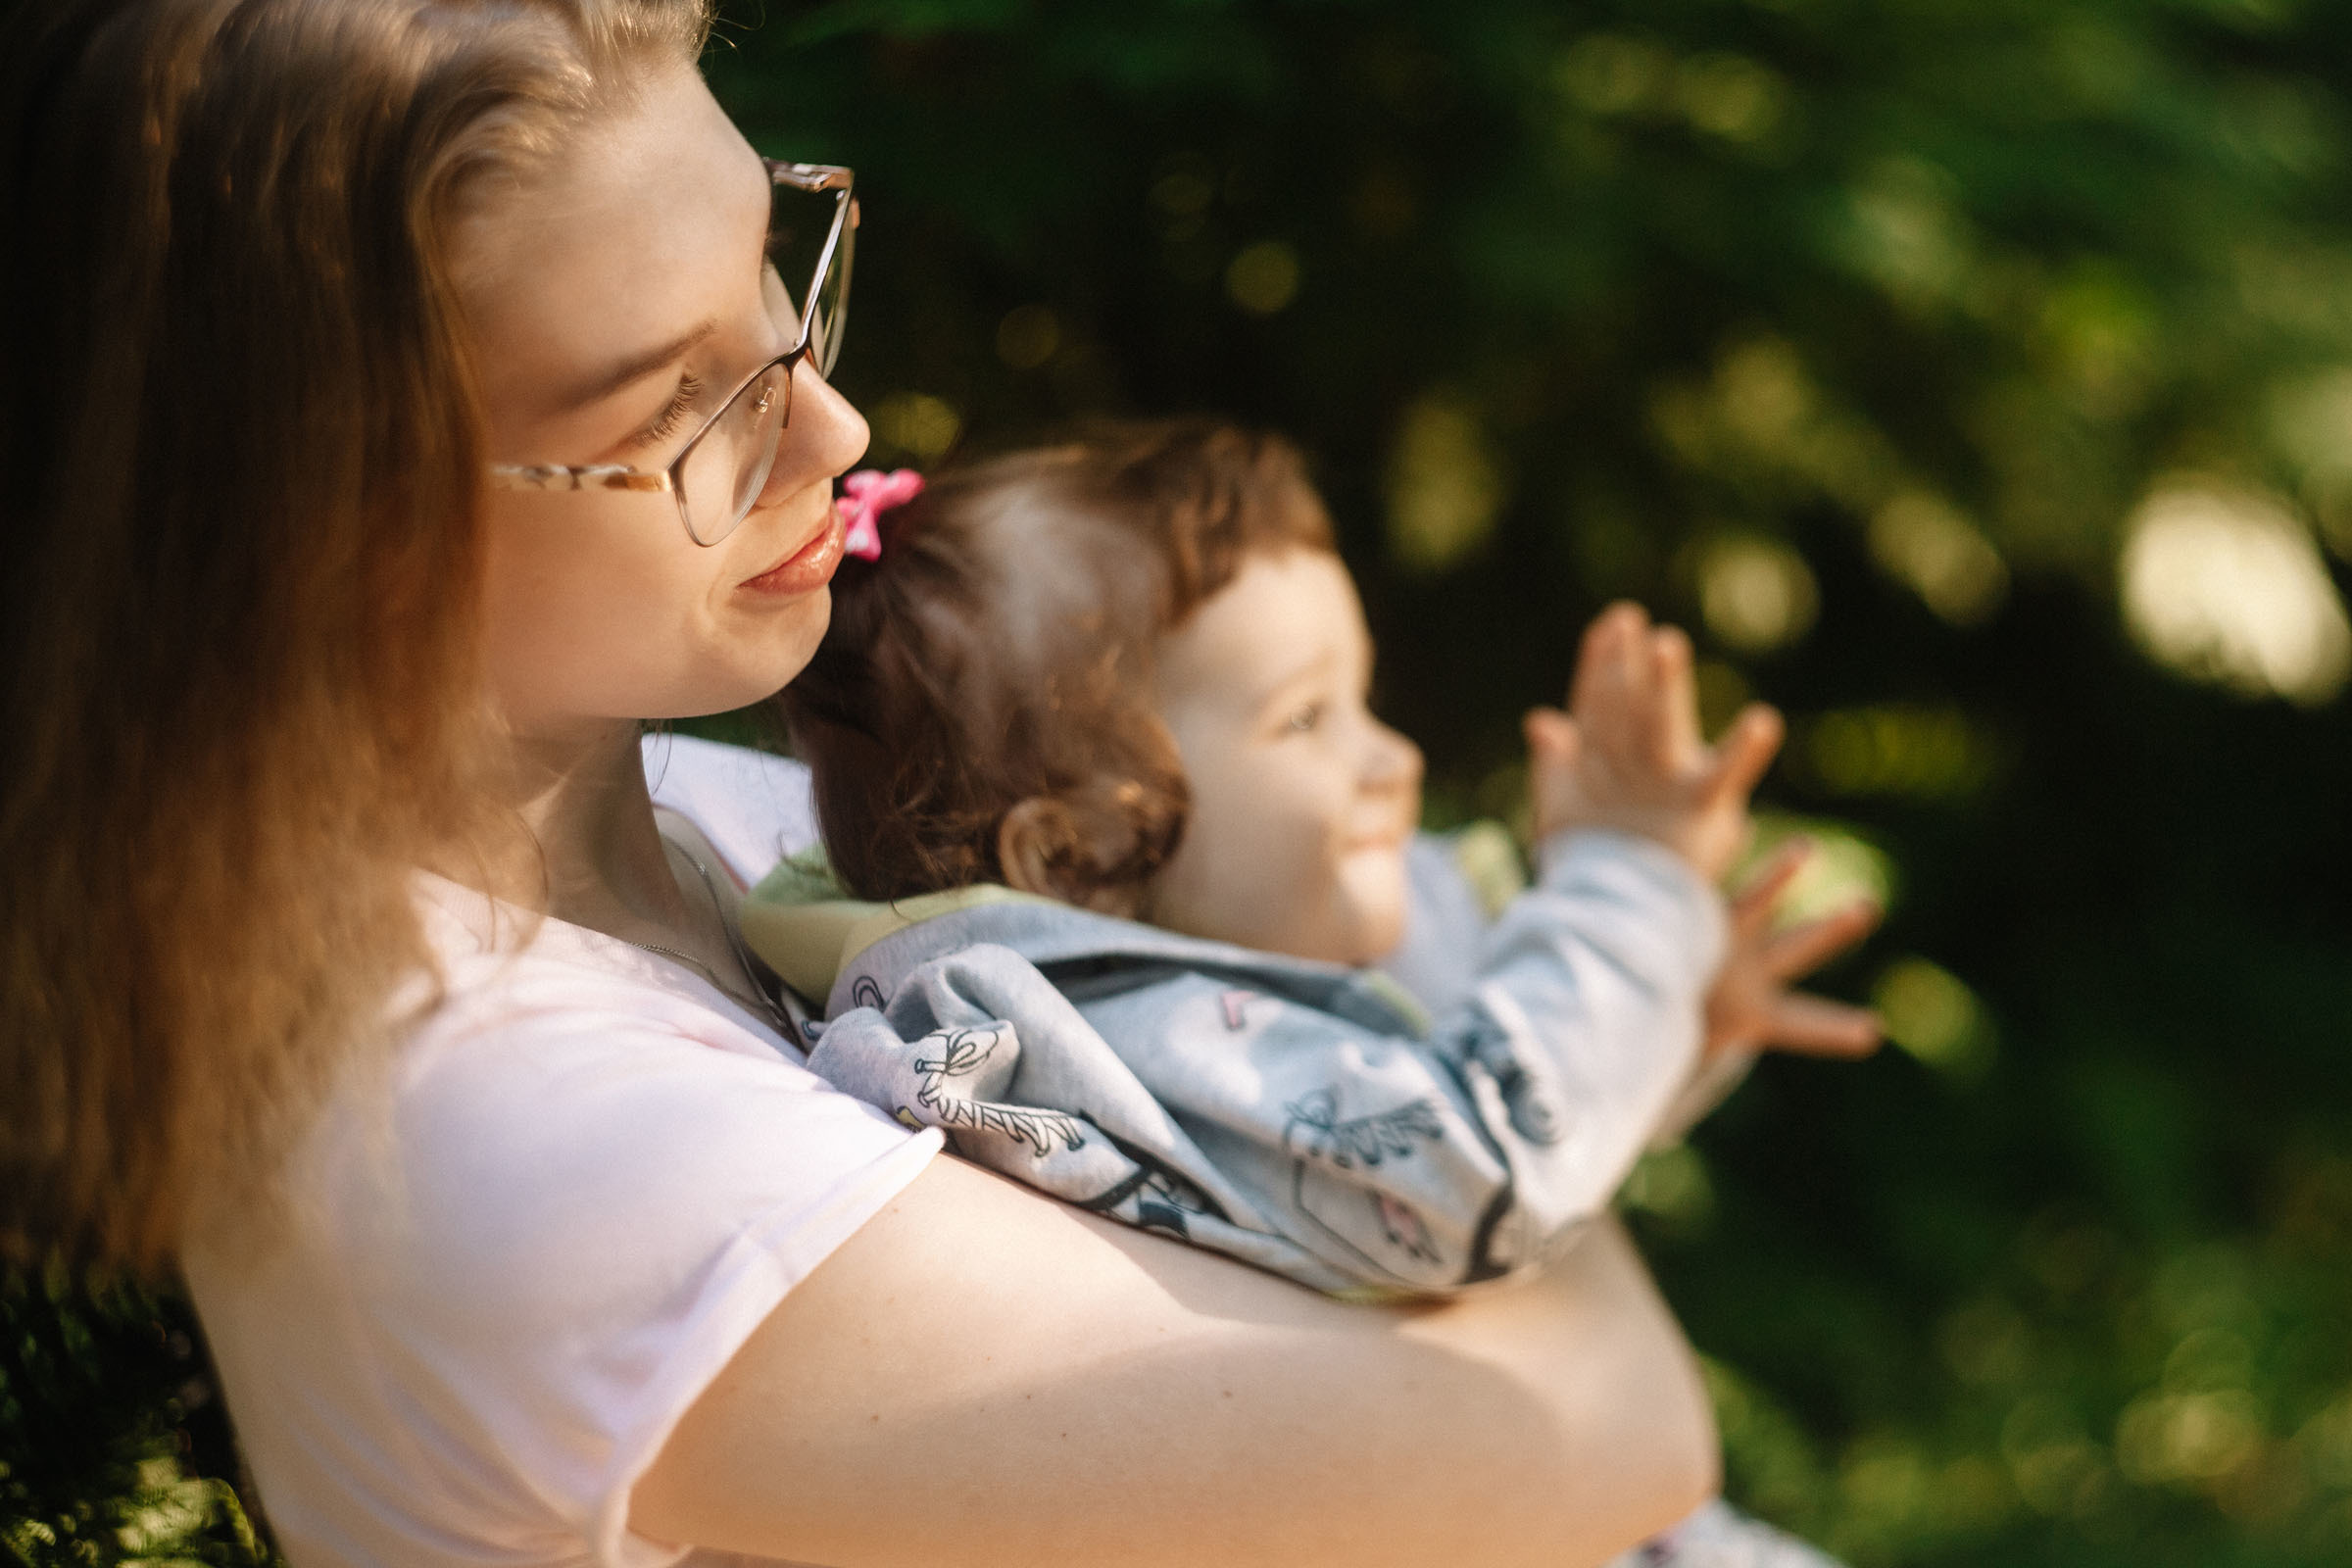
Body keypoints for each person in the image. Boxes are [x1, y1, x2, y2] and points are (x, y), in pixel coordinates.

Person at [3, 1, 1746, 1564]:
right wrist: (1569, 1017)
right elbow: (1602, 1438)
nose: (833, 432)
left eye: (779, 275)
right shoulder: (519, 1145)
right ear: (315, 533)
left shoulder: (710, 820)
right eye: (671, 406)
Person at [759, 424, 1879, 1566]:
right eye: (1305, 718)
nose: (1391, 758)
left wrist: (1668, 1021)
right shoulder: (1109, 1027)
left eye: (1362, 698)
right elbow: (1473, 1166)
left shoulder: (1201, 968)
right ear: (1070, 855)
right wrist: (1631, 886)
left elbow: (1409, 1148)